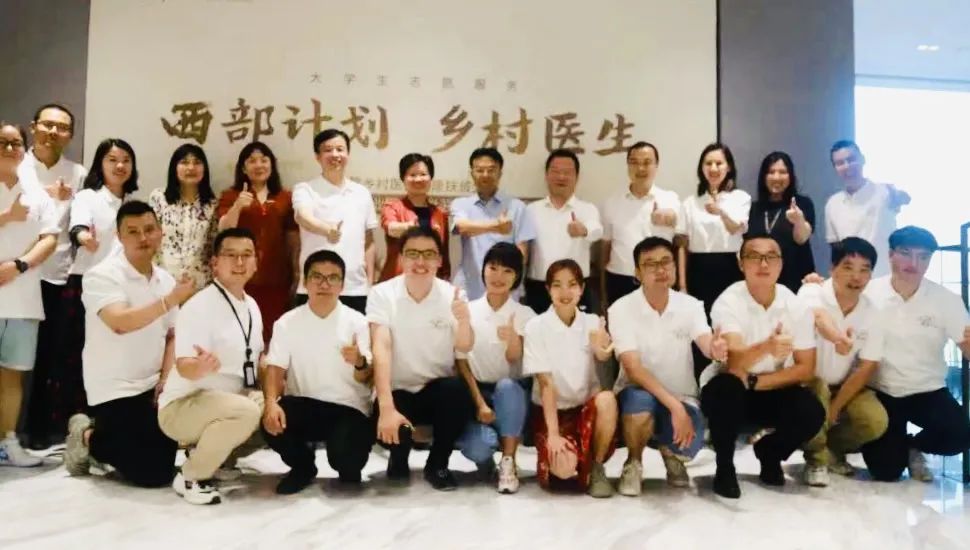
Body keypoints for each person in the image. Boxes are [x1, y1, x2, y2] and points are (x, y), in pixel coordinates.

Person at [63, 201, 194, 486]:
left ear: (160, 232)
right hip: (115, 388)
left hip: (152, 385)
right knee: (151, 475)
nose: (143, 238)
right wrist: (170, 300)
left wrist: (165, 379)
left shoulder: (165, 279)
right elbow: (120, 322)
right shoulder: (102, 275)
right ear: (119, 237)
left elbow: (173, 334)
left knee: (161, 463)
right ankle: (87, 434)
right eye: (133, 231)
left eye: (149, 229)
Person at [700, 234, 823, 499]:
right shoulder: (728, 302)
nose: (763, 264)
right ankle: (724, 467)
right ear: (741, 263)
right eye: (754, 256)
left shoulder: (795, 305)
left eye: (771, 257)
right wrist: (767, 347)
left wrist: (756, 382)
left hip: (771, 385)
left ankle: (770, 452)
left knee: (811, 411)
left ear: (781, 264)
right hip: (731, 386)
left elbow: (806, 368)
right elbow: (735, 363)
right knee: (727, 389)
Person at [609, 237, 727, 495]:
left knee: (689, 445)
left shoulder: (690, 305)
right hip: (636, 391)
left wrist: (715, 349)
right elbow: (633, 369)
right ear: (637, 273)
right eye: (650, 264)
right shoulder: (621, 309)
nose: (660, 269)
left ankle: (670, 454)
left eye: (666, 262)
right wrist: (674, 407)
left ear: (675, 266)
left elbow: (705, 341)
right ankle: (634, 462)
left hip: (681, 394)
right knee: (640, 404)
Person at [157, 228, 264, 505]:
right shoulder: (199, 306)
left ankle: (216, 459)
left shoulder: (251, 306)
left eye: (246, 255)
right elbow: (185, 367)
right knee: (247, 411)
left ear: (256, 262)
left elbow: (255, 358)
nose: (239, 262)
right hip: (182, 406)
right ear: (215, 263)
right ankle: (191, 476)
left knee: (271, 406)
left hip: (223, 401)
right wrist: (201, 366)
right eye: (230, 255)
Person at [369, 226, 475, 491]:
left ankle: (437, 464)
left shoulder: (452, 294)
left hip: (435, 390)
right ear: (401, 258)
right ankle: (398, 457)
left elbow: (464, 345)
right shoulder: (382, 294)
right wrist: (386, 407)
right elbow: (381, 348)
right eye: (413, 254)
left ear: (439, 260)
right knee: (384, 416)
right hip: (398, 391)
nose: (420, 262)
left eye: (429, 254)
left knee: (457, 392)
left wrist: (463, 321)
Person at [860, 226, 970, 482]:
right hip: (881, 389)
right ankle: (893, 447)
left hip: (927, 390)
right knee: (886, 471)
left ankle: (914, 446)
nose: (914, 263)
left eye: (923, 257)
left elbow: (966, 346)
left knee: (960, 435)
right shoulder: (868, 293)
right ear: (891, 254)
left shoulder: (946, 299)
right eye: (906, 253)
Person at [262, 250, 374, 494]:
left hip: (349, 408)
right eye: (317, 277)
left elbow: (366, 377)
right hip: (304, 404)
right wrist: (270, 403)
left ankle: (347, 461)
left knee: (348, 465)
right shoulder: (287, 323)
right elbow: (275, 368)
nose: (325, 284)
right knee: (272, 419)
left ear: (342, 285)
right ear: (305, 281)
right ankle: (303, 466)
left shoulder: (358, 322)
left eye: (333, 278)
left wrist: (359, 361)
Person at [48, 139, 140, 437]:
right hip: (86, 283)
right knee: (77, 354)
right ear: (101, 163)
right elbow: (78, 227)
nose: (120, 165)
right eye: (112, 159)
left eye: (126, 160)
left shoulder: (133, 203)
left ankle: (106, 424)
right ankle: (74, 424)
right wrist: (85, 238)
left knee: (114, 356)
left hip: (122, 289)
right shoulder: (88, 197)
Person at [18, 104, 87, 448]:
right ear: (33, 127)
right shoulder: (15, 165)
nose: (53, 132)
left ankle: (37, 430)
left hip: (56, 277)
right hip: (14, 273)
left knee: (47, 356)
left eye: (61, 128)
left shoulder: (78, 173)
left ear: (70, 135)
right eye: (47, 125)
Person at [797, 237, 887, 487]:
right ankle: (816, 460)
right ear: (832, 268)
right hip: (806, 382)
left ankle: (831, 450)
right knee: (818, 394)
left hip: (842, 383)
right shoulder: (812, 291)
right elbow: (818, 317)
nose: (856, 277)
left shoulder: (872, 312)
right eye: (848, 267)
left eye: (864, 269)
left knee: (875, 420)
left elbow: (867, 366)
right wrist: (838, 337)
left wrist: (835, 408)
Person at [523, 259, 618, 497]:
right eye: (557, 285)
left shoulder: (592, 322)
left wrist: (603, 351)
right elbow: (546, 384)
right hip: (552, 413)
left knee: (607, 399)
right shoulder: (536, 326)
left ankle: (596, 467)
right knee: (564, 469)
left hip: (585, 408)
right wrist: (554, 435)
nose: (565, 292)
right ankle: (574, 460)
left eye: (572, 284)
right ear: (548, 289)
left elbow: (603, 357)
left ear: (582, 289)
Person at [454, 242, 535, 493]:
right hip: (477, 392)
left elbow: (515, 359)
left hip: (512, 394)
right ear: (484, 270)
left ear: (517, 277)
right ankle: (486, 463)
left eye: (508, 271)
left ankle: (509, 461)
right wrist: (479, 403)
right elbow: (461, 361)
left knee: (508, 386)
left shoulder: (525, 314)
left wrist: (513, 339)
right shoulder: (469, 311)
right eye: (493, 268)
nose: (499, 276)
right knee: (476, 446)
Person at [0, 121, 58, 466]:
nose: (9, 149)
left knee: (13, 375)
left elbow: (50, 238)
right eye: (2, 142)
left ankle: (8, 442)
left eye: (15, 143)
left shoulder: (36, 194)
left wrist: (19, 265)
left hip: (23, 299)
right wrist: (6, 216)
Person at [217, 141, 299, 342]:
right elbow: (224, 230)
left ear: (272, 164)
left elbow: (293, 240)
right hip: (240, 277)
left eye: (264, 160)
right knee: (241, 333)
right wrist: (238, 206)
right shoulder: (231, 195)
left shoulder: (285, 197)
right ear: (243, 168)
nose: (259, 165)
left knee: (274, 334)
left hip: (277, 278)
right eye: (252, 161)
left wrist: (297, 273)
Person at [293, 129, 377, 314]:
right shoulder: (305, 189)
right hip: (314, 287)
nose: (335, 154)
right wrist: (326, 230)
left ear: (348, 154)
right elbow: (302, 217)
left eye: (340, 149)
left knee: (355, 334)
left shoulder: (361, 193)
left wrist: (369, 282)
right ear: (317, 156)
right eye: (328, 150)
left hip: (355, 289)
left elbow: (369, 241)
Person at [600, 142, 684, 308]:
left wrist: (681, 285)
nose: (640, 168)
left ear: (656, 165)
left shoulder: (671, 200)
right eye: (634, 162)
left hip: (659, 279)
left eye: (647, 162)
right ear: (627, 165)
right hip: (620, 280)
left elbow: (682, 243)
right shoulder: (611, 202)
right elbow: (605, 250)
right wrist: (602, 292)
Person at [450, 147, 536, 300]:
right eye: (479, 170)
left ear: (500, 173)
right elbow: (462, 228)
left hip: (506, 290)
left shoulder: (517, 207)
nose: (485, 175)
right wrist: (496, 227)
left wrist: (510, 283)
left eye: (491, 170)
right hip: (469, 288)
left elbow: (521, 254)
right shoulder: (461, 204)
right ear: (472, 173)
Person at [524, 149, 602, 314]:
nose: (561, 177)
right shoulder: (531, 210)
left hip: (576, 289)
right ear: (546, 175)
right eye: (555, 171)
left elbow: (597, 231)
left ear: (577, 177)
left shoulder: (587, 209)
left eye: (567, 172)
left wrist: (583, 230)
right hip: (539, 287)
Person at [678, 143, 751, 317]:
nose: (713, 168)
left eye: (719, 163)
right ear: (701, 168)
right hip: (698, 268)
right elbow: (682, 246)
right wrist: (682, 286)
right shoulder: (690, 202)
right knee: (700, 322)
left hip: (730, 266)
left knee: (730, 320)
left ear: (729, 167)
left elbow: (735, 229)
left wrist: (721, 212)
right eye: (708, 163)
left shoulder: (740, 198)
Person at [825, 140, 910, 277]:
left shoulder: (884, 192)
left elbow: (904, 198)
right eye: (840, 163)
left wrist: (900, 196)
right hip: (849, 280)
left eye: (851, 159)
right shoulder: (833, 203)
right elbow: (835, 247)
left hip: (883, 276)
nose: (847, 166)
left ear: (862, 159)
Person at [148, 144, 219, 289]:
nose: (191, 167)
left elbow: (213, 246)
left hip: (200, 284)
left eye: (197, 162)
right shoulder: (159, 198)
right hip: (163, 281)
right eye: (184, 162)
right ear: (174, 167)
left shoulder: (213, 204)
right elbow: (150, 237)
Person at [746, 151, 815, 293]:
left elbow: (802, 238)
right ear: (764, 177)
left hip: (796, 281)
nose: (776, 177)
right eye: (771, 172)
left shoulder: (802, 203)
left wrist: (798, 220)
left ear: (791, 176)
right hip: (762, 281)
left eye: (783, 172)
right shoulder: (753, 208)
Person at [379, 153, 449, 282]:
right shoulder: (392, 206)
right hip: (397, 281)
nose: (418, 179)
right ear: (403, 179)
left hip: (430, 282)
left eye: (423, 174)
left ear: (431, 178)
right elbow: (391, 228)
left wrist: (445, 278)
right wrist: (410, 228)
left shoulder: (440, 213)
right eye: (412, 175)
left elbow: (443, 253)